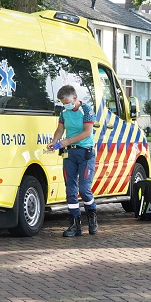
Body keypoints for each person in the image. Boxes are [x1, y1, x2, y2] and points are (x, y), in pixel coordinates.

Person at [47, 85, 98, 237]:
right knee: (70, 189)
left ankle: (92, 216)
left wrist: (66, 141)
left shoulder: (87, 110)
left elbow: (87, 132)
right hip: (70, 154)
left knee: (84, 189)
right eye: (63, 103)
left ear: (75, 98)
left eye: (67, 102)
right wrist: (54, 141)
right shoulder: (64, 112)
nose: (65, 105)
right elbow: (60, 129)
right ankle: (75, 225)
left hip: (85, 153)